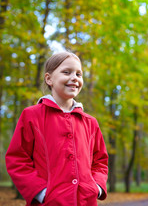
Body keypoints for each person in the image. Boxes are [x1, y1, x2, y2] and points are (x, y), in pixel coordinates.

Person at [5, 51, 108, 206]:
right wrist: (41, 193)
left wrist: (97, 187)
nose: (74, 78)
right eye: (66, 72)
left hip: (86, 202)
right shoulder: (31, 115)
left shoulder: (90, 122)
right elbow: (17, 159)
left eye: (79, 74)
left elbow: (100, 160)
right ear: (49, 79)